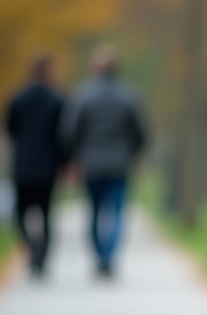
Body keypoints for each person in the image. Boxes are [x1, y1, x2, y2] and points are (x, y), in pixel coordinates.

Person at [60, 45, 148, 278]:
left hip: (91, 163)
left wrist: (72, 158)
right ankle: (108, 258)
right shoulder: (129, 95)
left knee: (94, 212)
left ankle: (100, 257)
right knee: (117, 213)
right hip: (119, 163)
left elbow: (70, 131)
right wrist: (133, 153)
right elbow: (140, 132)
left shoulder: (82, 95)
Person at [5, 54, 65, 277]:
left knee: (20, 212)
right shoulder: (56, 100)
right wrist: (65, 162)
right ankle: (41, 257)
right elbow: (62, 136)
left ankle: (31, 247)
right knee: (46, 213)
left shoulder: (17, 99)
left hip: (23, 165)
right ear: (47, 72)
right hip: (48, 167)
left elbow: (10, 129)